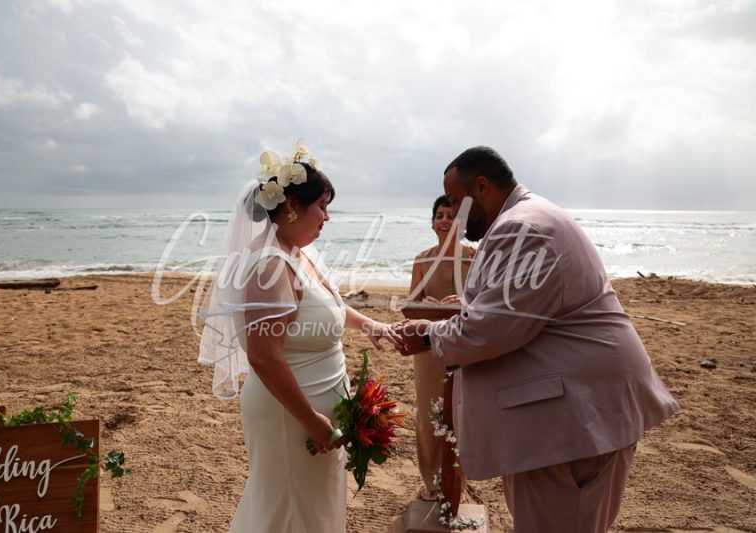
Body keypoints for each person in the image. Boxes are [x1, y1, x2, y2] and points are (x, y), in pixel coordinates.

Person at [393, 146, 679, 533]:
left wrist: (426, 334)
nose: (453, 214)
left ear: (482, 187)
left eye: (457, 202)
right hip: (569, 421)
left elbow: (490, 329)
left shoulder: (520, 228)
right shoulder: (527, 218)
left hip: (572, 422)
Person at [198, 142, 401, 533]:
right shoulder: (270, 264)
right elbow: (263, 355)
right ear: (290, 203)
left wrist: (371, 326)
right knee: (289, 514)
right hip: (291, 415)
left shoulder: (296, 252)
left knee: (308, 512)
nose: (327, 217)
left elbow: (325, 305)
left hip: (316, 410)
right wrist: (311, 420)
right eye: (322, 206)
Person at [408, 195, 473, 501]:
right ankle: (432, 482)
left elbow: (486, 304)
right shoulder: (422, 260)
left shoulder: (474, 258)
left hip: (464, 346)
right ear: (432, 223)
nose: (445, 220)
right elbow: (410, 304)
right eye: (439, 215)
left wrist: (463, 303)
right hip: (427, 347)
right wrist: (425, 304)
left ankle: (457, 480)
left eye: (451, 215)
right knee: (427, 414)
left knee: (463, 413)